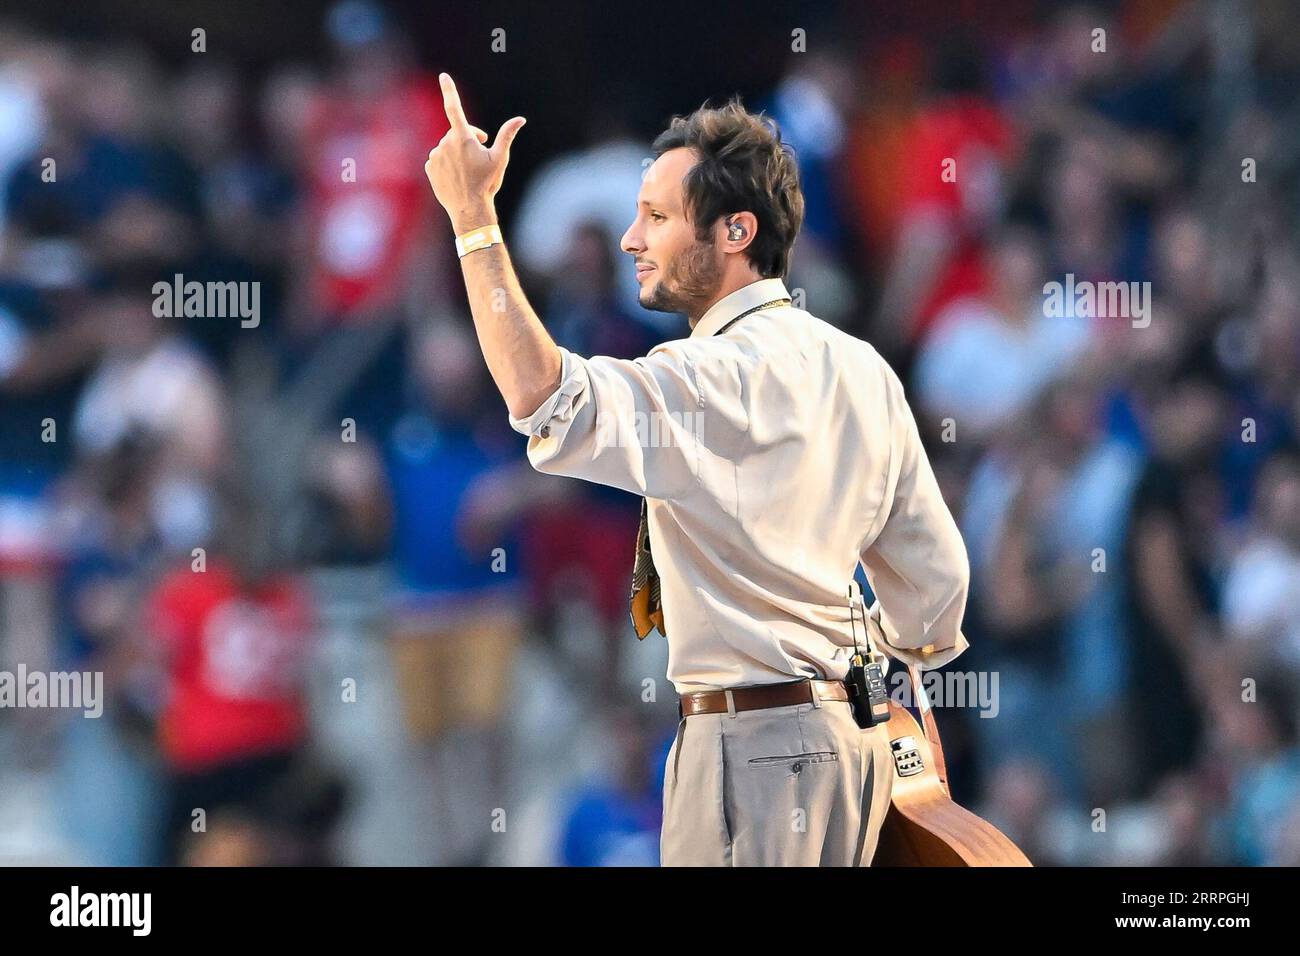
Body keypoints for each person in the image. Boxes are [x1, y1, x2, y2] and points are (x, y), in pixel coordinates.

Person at [423, 74, 971, 866]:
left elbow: (544, 397)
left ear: (736, 231)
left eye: (655, 217)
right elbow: (937, 592)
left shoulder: (704, 376)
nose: (629, 240)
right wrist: (843, 668)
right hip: (860, 754)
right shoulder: (866, 372)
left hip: (746, 751)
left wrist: (473, 220)